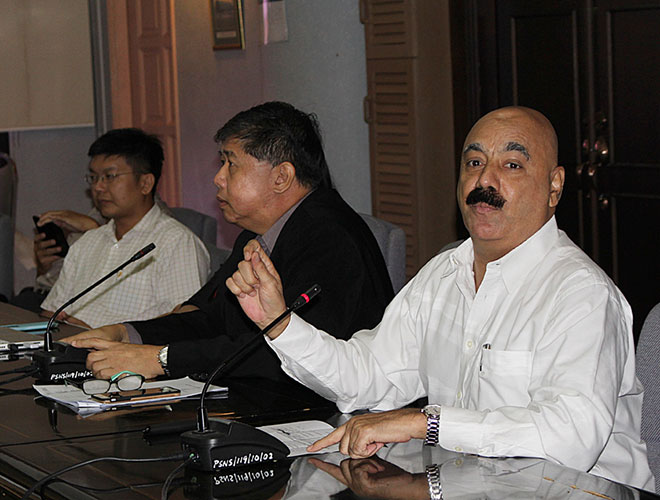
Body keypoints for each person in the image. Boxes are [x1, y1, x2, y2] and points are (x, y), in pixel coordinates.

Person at [226, 106, 654, 491]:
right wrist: (279, 323)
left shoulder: (580, 294)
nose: (485, 180)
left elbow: (571, 438)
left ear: (554, 186)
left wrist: (426, 424)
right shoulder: (445, 274)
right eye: (473, 162)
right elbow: (370, 375)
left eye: (512, 164)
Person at [64, 102, 394, 394]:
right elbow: (212, 319)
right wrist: (128, 334)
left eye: (230, 164)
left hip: (324, 415)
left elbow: (285, 352)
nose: (218, 178)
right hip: (259, 399)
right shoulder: (259, 234)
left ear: (281, 177)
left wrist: (159, 359)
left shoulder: (330, 237)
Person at [41, 128, 211, 328]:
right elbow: (51, 312)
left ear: (145, 183)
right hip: (67, 350)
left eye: (110, 176)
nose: (98, 187)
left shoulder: (176, 243)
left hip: (123, 355)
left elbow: (183, 326)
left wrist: (95, 333)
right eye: (94, 178)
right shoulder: (88, 241)